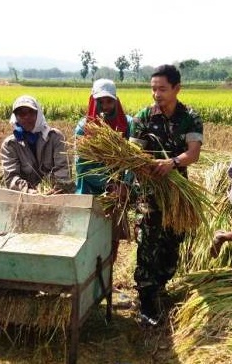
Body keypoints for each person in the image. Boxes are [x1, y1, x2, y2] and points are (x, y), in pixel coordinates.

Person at [129, 64, 203, 326]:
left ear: (176, 88)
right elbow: (133, 152)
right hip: (150, 190)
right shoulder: (143, 118)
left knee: (173, 240)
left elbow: (192, 154)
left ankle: (161, 284)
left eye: (162, 89)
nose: (156, 94)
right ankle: (147, 298)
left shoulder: (190, 117)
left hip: (177, 193)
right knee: (148, 239)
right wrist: (145, 166)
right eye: (153, 89)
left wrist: (171, 163)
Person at [75, 78, 132, 263]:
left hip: (117, 192)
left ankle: (106, 282)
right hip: (90, 189)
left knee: (112, 240)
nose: (105, 106)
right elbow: (82, 165)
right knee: (87, 239)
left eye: (109, 101)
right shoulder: (84, 127)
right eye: (100, 101)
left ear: (116, 100)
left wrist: (124, 185)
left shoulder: (128, 124)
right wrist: (108, 184)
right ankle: (89, 284)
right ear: (93, 101)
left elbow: (134, 161)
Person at [0, 95, 75, 194]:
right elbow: (11, 178)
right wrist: (29, 191)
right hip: (25, 196)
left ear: (38, 114)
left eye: (31, 112)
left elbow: (63, 169)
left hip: (56, 193)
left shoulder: (55, 137)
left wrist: (57, 188)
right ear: (16, 117)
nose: (27, 117)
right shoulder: (10, 145)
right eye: (21, 113)